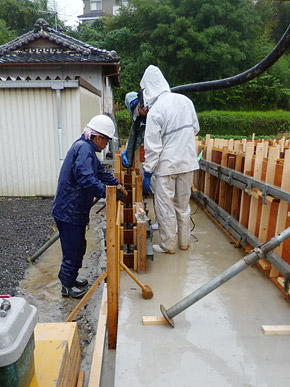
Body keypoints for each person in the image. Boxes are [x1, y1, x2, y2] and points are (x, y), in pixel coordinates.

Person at [52, 115, 124, 299]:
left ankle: (70, 279)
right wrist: (107, 193)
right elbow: (86, 178)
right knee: (73, 249)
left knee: (79, 247)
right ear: (98, 137)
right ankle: (66, 286)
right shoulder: (84, 149)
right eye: (106, 140)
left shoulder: (86, 149)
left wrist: (116, 184)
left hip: (74, 209)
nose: (106, 145)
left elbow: (99, 171)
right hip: (69, 210)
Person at [140, 65, 200, 254]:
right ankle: (184, 242)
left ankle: (169, 245)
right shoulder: (185, 101)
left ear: (148, 89)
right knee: (183, 205)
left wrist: (148, 170)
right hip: (188, 162)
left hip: (166, 166)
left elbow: (152, 145)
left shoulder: (156, 110)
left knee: (165, 206)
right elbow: (195, 129)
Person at [121, 91, 148, 168]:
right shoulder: (140, 121)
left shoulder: (156, 114)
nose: (140, 107)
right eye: (135, 106)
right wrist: (126, 150)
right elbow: (136, 139)